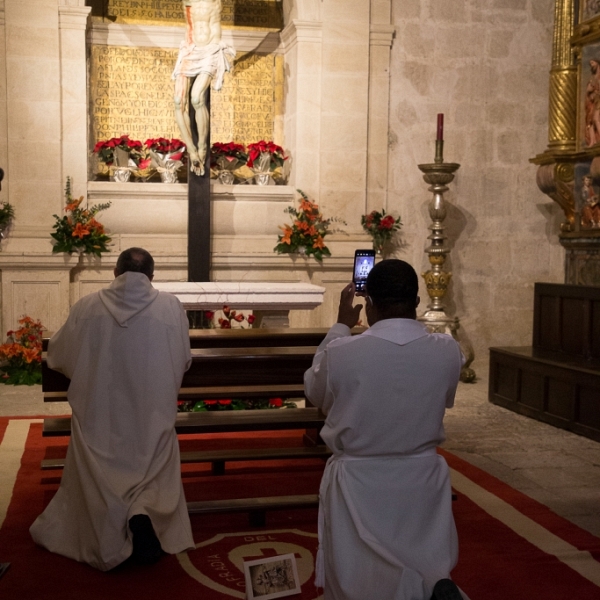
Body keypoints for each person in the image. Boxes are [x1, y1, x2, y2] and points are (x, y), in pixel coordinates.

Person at [304, 259, 465, 600]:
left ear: (370, 304)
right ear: (417, 302)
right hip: (421, 476)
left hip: (359, 483)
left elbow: (314, 391)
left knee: (359, 577)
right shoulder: (448, 351)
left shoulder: (343, 352)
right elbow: (445, 399)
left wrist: (340, 327)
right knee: (423, 560)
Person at [30, 248, 194, 571]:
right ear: (151, 276)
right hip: (150, 423)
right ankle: (145, 514)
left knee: (96, 447)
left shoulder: (87, 307)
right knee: (153, 448)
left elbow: (59, 357)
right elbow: (184, 360)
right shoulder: (170, 308)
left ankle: (107, 525)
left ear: (115, 273)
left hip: (99, 424)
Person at [172, 0, 235, 176]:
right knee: (178, 101)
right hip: (190, 49)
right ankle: (191, 150)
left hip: (210, 50)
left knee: (196, 98)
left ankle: (202, 147)